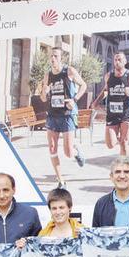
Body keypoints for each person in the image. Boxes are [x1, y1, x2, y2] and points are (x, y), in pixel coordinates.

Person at [40, 47, 87, 190]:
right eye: (51, 56)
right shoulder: (47, 75)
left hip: (67, 114)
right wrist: (45, 91)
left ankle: (76, 149)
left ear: (61, 58)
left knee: (68, 153)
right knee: (52, 148)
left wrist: (75, 99)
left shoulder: (69, 71)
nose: (53, 59)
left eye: (55, 56)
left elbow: (83, 85)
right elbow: (42, 98)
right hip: (53, 115)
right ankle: (61, 181)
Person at [93, 52, 129, 156]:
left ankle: (124, 166)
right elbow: (106, 90)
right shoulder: (108, 76)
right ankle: (121, 138)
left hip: (126, 114)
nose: (117, 62)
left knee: (124, 143)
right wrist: (96, 101)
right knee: (110, 144)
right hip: (112, 114)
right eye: (115, 60)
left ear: (125, 61)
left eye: (119, 59)